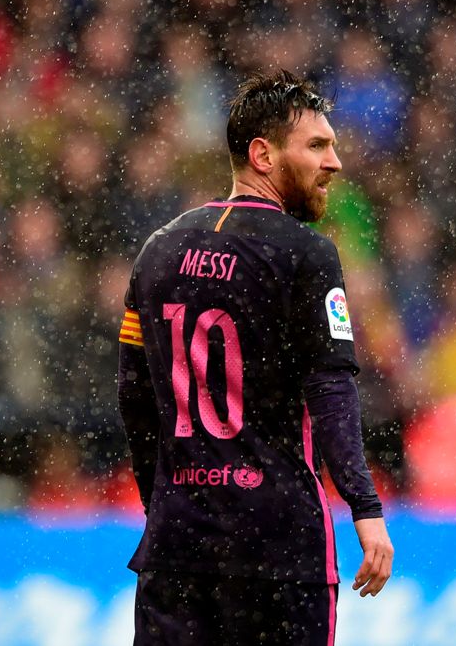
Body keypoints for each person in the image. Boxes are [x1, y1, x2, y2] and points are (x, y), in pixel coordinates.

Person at [117, 69, 393, 645]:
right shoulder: (306, 255)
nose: (335, 162)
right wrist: (365, 508)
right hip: (278, 548)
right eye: (316, 146)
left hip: (178, 551)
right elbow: (332, 390)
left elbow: (135, 398)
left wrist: (160, 504)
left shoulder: (158, 250)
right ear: (263, 155)